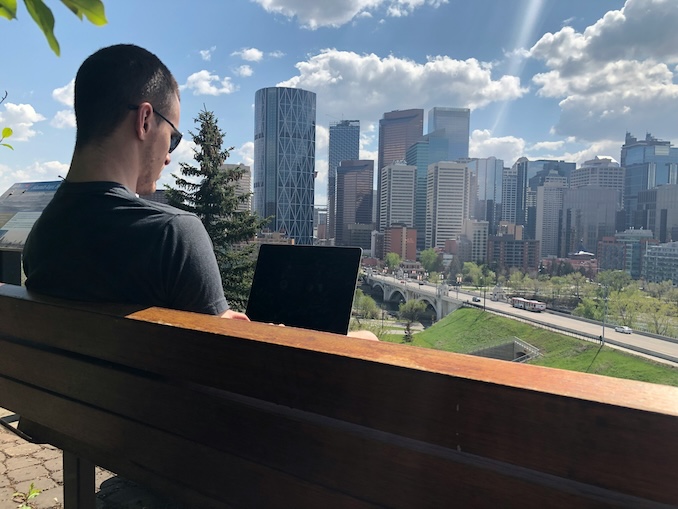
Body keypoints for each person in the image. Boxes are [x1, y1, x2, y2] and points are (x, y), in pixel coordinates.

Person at [22, 44, 377, 340]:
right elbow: (228, 370)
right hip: (159, 423)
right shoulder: (171, 235)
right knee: (367, 340)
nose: (170, 154)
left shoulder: (42, 235)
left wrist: (218, 318)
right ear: (145, 120)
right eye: (173, 136)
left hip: (66, 421)